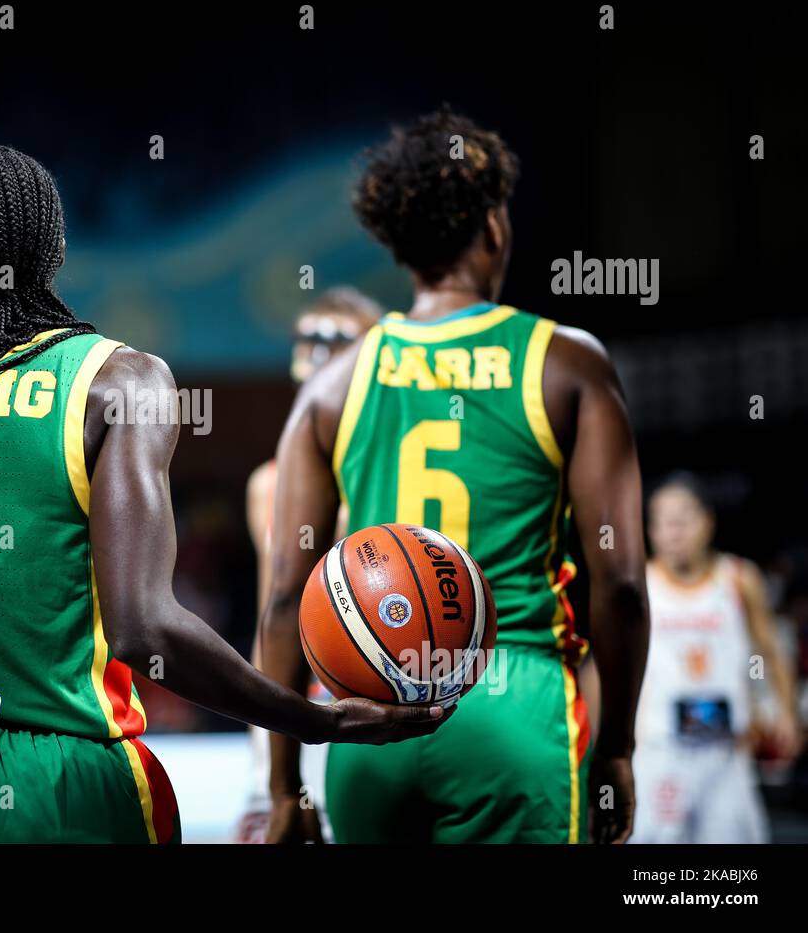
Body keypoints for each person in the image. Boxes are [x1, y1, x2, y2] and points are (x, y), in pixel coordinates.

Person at [0, 41, 446, 843]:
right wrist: (314, 720)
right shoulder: (116, 382)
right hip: (66, 776)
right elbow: (142, 630)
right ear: (56, 254)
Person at [261, 107, 649, 843]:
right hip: (512, 706)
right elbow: (621, 581)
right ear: (495, 227)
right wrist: (619, 748)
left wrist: (285, 790)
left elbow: (285, 597)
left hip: (367, 722)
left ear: (402, 248)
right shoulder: (567, 362)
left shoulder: (333, 385)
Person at [238, 286, 383, 842]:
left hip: (372, 703)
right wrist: (264, 727)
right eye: (310, 343)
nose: (319, 356)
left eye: (334, 344)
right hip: (290, 702)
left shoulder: (382, 477)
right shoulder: (269, 484)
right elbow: (270, 612)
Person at [632, 473, 801, 842]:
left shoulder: (739, 579)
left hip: (726, 754)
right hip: (662, 753)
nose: (671, 531)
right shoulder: (638, 584)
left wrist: (786, 711)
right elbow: (607, 665)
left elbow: (771, 650)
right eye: (660, 521)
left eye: (681, 520)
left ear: (708, 522)